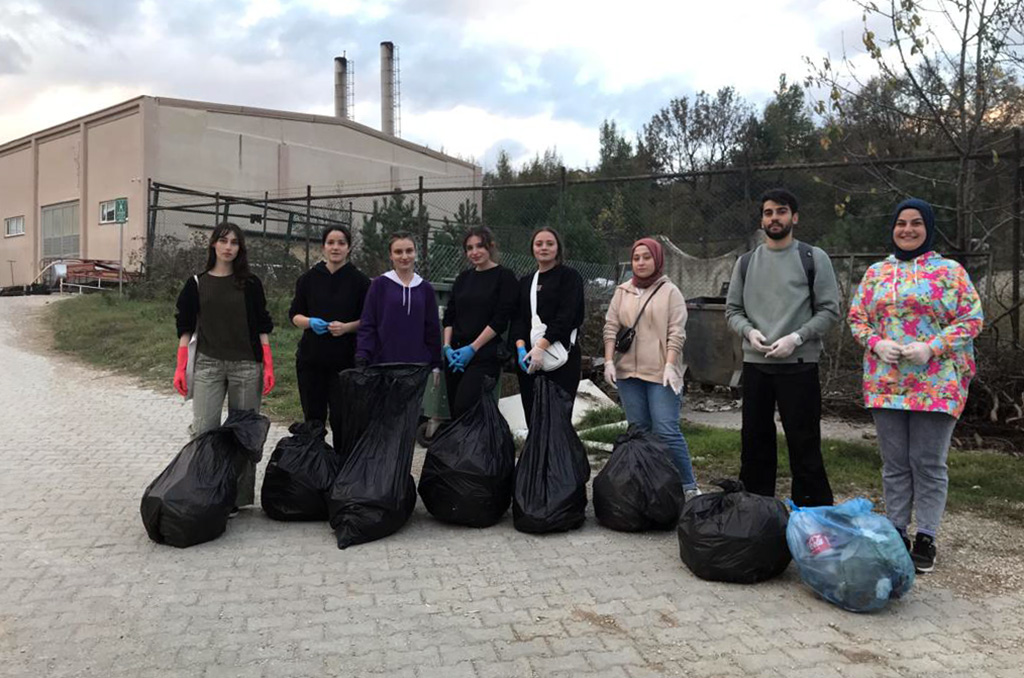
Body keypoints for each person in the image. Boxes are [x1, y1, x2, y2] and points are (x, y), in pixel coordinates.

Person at [848, 198, 983, 574]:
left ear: (929, 227)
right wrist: (876, 343)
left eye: (916, 223)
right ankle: (895, 529)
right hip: (885, 381)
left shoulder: (949, 271)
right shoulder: (876, 272)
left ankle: (926, 534)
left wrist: (933, 346)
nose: (907, 230)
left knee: (927, 461)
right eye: (901, 223)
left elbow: (972, 318)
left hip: (936, 382)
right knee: (894, 462)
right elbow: (857, 317)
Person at [725, 188, 840, 507]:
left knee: (804, 446)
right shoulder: (746, 263)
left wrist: (797, 337)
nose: (774, 218)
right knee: (755, 445)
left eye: (781, 211)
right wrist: (749, 333)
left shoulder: (813, 258)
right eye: (768, 212)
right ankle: (755, 516)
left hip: (799, 364)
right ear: (762, 219)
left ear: (795, 217)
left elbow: (830, 310)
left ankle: (814, 520)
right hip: (757, 364)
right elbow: (732, 310)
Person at [173, 221, 275, 513]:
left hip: (247, 366)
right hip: (208, 365)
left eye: (234, 242)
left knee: (243, 433)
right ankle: (204, 489)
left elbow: (262, 326)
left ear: (240, 248)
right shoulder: (196, 283)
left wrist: (267, 365)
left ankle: (237, 497)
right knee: (205, 430)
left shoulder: (251, 283)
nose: (229, 247)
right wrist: (181, 368)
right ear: (213, 244)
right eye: (224, 241)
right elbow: (185, 327)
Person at [602, 238, 698, 498]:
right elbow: (611, 327)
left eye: (646, 257)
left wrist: (670, 365)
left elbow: (677, 333)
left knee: (666, 429)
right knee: (639, 430)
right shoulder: (622, 291)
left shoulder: (671, 292)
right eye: (636, 258)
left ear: (657, 260)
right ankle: (649, 483)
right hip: (628, 374)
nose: (641, 262)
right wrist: (609, 360)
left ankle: (689, 486)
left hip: (660, 373)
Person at [288, 225, 371, 452]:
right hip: (311, 360)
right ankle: (314, 471)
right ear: (323, 246)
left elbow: (368, 320)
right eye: (331, 243)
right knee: (313, 418)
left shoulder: (360, 282)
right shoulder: (308, 279)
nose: (335, 248)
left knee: (342, 420)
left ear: (348, 247)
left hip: (344, 364)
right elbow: (294, 315)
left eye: (341, 243)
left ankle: (340, 471)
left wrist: (346, 328)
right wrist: (310, 322)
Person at [510, 227, 585, 426]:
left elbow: (566, 317)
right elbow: (518, 318)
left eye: (549, 244)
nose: (544, 248)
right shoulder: (526, 282)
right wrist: (520, 348)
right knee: (533, 416)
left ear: (558, 248)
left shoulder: (570, 277)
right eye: (539, 244)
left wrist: (541, 347)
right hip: (530, 361)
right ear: (532, 248)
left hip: (560, 357)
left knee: (558, 420)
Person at [441, 226, 519, 418]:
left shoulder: (504, 277)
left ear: (490, 247)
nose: (474, 252)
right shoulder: (463, 278)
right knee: (455, 413)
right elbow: (450, 315)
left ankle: (482, 447)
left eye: (479, 246)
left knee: (465, 406)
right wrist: (447, 348)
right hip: (456, 355)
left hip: (484, 355)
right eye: (469, 248)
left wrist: (473, 348)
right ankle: (463, 448)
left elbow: (500, 320)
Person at [355, 232, 442, 381]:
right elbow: (368, 323)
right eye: (398, 252)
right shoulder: (379, 284)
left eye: (409, 251)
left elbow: (432, 328)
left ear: (415, 253)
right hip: (383, 364)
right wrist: (363, 355)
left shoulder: (425, 288)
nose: (404, 256)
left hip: (416, 367)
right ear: (390, 255)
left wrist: (435, 364)